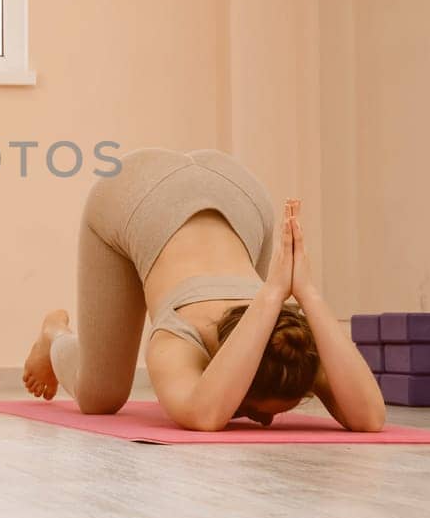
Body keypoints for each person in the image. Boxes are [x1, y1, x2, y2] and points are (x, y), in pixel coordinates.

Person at [21, 148, 385, 432]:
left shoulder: (291, 346)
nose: (263, 421)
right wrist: (273, 291)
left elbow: (370, 417)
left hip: (240, 195)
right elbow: (205, 415)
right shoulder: (177, 339)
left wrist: (305, 293)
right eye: (252, 406)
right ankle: (54, 335)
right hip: (134, 191)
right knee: (100, 396)